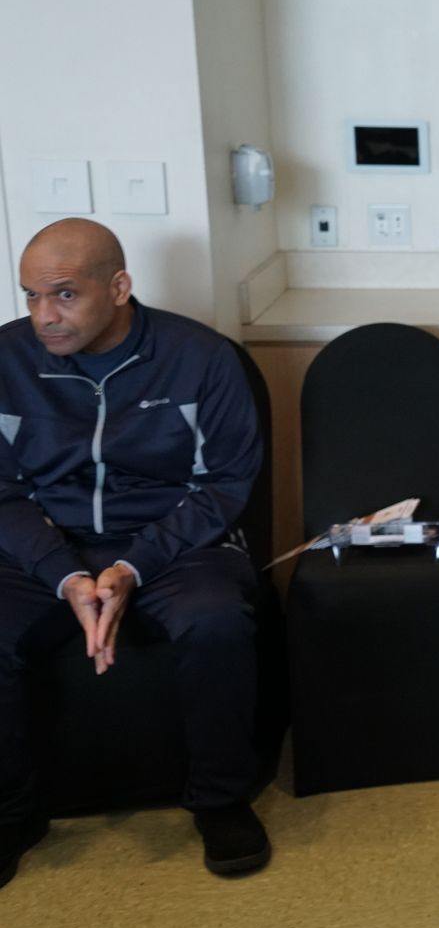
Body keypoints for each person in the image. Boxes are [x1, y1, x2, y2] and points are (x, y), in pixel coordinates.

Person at [0, 219, 266, 888]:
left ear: (118, 286)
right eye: (30, 296)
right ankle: (13, 813)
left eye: (63, 295)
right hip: (43, 539)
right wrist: (66, 575)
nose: (44, 316)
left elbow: (224, 486)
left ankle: (221, 800)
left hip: (176, 538)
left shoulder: (202, 357)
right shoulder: (5, 361)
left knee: (217, 624)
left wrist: (128, 568)